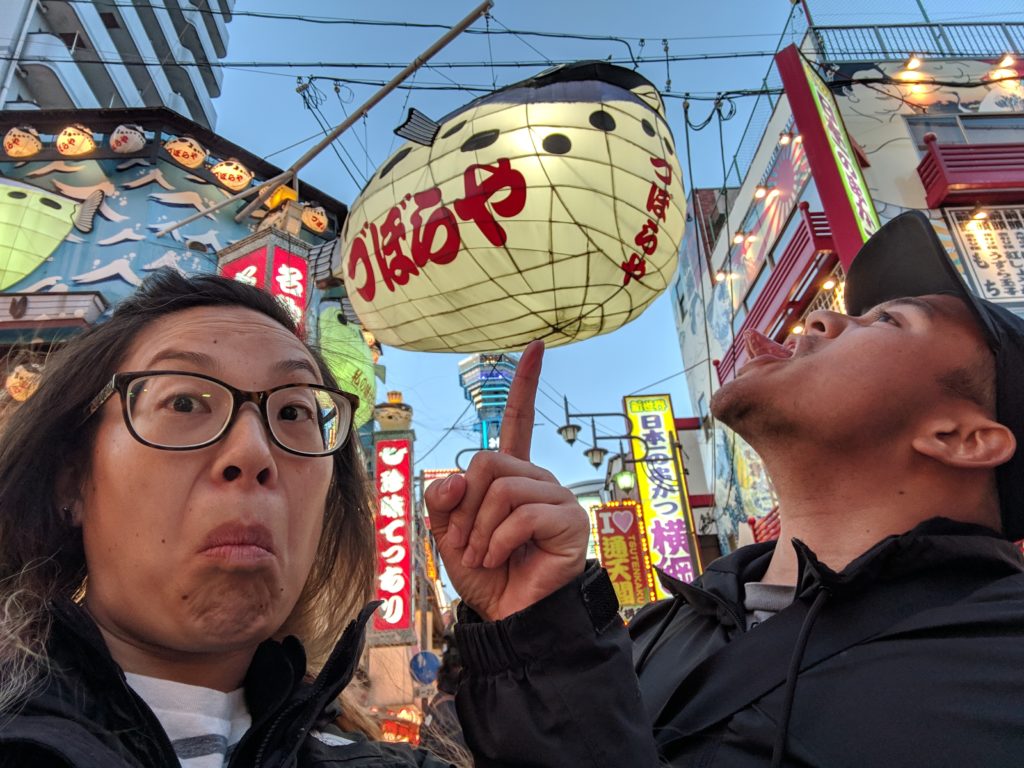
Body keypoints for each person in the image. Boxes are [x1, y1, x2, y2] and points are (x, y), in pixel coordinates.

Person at [425, 211, 1024, 766]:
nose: (821, 319)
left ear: (962, 437)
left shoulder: (997, 667)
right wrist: (532, 629)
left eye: (887, 320)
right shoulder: (660, 629)